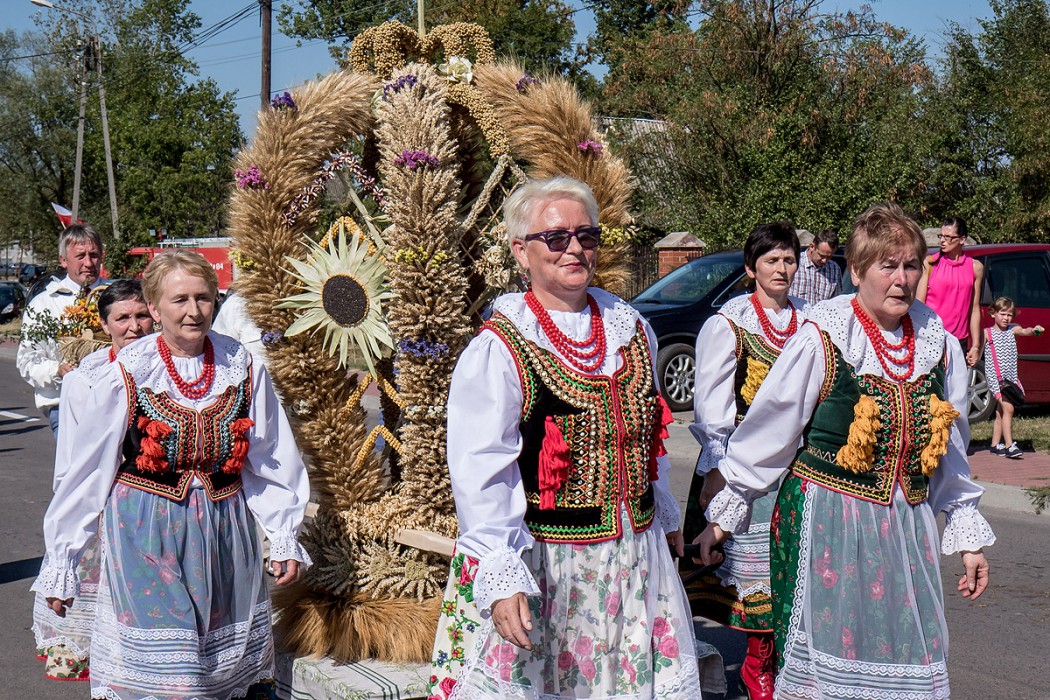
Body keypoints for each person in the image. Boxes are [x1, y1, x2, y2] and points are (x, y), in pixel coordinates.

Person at [695, 202, 994, 700]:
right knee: (829, 669)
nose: (901, 279)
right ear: (856, 271)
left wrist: (968, 536)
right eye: (887, 265)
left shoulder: (937, 343)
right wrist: (727, 510)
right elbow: (772, 431)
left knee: (912, 657)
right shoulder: (825, 334)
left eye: (911, 265)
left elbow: (948, 451)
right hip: (827, 522)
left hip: (906, 528)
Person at [427, 176, 701, 699]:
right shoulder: (500, 347)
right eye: (556, 238)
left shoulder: (632, 328)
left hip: (635, 557)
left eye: (586, 236)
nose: (574, 247)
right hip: (546, 562)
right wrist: (502, 575)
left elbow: (649, 436)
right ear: (521, 252)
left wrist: (660, 506)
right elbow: (481, 468)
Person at [31, 251, 312, 700]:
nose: (193, 310)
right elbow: (86, 474)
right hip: (144, 533)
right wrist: (63, 559)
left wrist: (282, 532)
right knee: (173, 678)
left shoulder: (240, 364)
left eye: (203, 297)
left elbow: (270, 456)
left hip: (226, 532)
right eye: (179, 299)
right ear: (155, 307)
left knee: (220, 671)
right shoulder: (128, 370)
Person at [683, 222, 806, 700]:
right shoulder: (730, 323)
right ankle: (757, 669)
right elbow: (712, 403)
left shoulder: (809, 323)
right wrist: (718, 469)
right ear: (751, 268)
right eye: (772, 260)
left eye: (789, 259)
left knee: (791, 573)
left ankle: (783, 668)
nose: (781, 268)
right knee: (755, 583)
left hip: (798, 470)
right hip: (745, 470)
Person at [32, 279, 155, 681]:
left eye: (141, 316)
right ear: (105, 325)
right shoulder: (86, 378)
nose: (134, 326)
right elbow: (71, 458)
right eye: (122, 318)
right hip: (103, 501)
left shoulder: (168, 369)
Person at [16, 224, 108, 438]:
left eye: (94, 255)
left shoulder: (116, 295)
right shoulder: (44, 304)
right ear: (63, 260)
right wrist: (58, 370)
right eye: (80, 256)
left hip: (113, 401)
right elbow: (27, 360)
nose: (88, 263)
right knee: (75, 471)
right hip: (64, 405)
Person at [917, 216, 984, 367]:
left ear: (962, 239)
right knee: (933, 390)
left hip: (959, 342)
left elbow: (974, 309)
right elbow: (919, 306)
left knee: (956, 390)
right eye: (941, 236)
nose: (942, 241)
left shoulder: (975, 267)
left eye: (948, 237)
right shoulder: (930, 263)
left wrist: (975, 346)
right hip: (931, 339)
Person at [984, 296, 1044, 459]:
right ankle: (1010, 445)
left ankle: (995, 445)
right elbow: (976, 348)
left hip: (1010, 378)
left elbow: (1025, 331)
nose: (1006, 318)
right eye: (1002, 314)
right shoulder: (987, 333)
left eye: (1009, 315)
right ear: (993, 314)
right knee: (1008, 409)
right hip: (996, 379)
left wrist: (1034, 330)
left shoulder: (1013, 329)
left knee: (1000, 412)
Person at [787, 229, 841, 305]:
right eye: (821, 256)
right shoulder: (794, 263)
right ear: (812, 247)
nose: (824, 261)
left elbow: (836, 301)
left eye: (829, 257)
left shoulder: (835, 269)